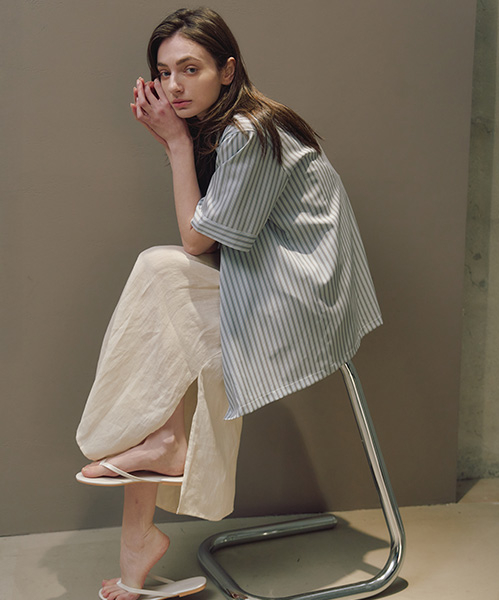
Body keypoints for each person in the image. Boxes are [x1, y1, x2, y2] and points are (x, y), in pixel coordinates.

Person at [76, 7, 382, 600]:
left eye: (190, 69)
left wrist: (174, 144)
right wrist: (183, 140)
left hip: (304, 303)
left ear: (228, 69)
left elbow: (198, 241)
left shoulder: (250, 132)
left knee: (162, 271)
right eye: (163, 73)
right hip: (266, 280)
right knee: (166, 312)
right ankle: (145, 513)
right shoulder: (225, 130)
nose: (174, 86)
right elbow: (216, 243)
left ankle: (155, 460)